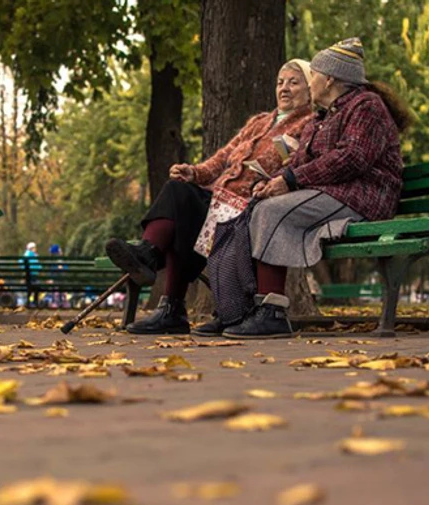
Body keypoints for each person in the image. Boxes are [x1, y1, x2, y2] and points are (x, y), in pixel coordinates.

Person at [209, 38, 413, 339]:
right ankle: (237, 309)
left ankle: (272, 312)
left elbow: (352, 158)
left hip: (362, 196)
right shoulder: (322, 117)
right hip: (334, 194)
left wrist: (291, 181)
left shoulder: (366, 106)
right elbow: (297, 161)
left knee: (269, 213)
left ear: (329, 79)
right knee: (254, 210)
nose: (311, 81)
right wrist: (273, 181)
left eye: (313, 75)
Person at [105, 59, 316, 334]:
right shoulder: (260, 122)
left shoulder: (310, 123)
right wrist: (194, 173)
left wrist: (275, 180)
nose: (284, 88)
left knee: (185, 217)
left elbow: (299, 166)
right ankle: (150, 260)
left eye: (293, 82)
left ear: (310, 90)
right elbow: (223, 158)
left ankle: (169, 302)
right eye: (280, 82)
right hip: (220, 199)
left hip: (251, 206)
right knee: (177, 190)